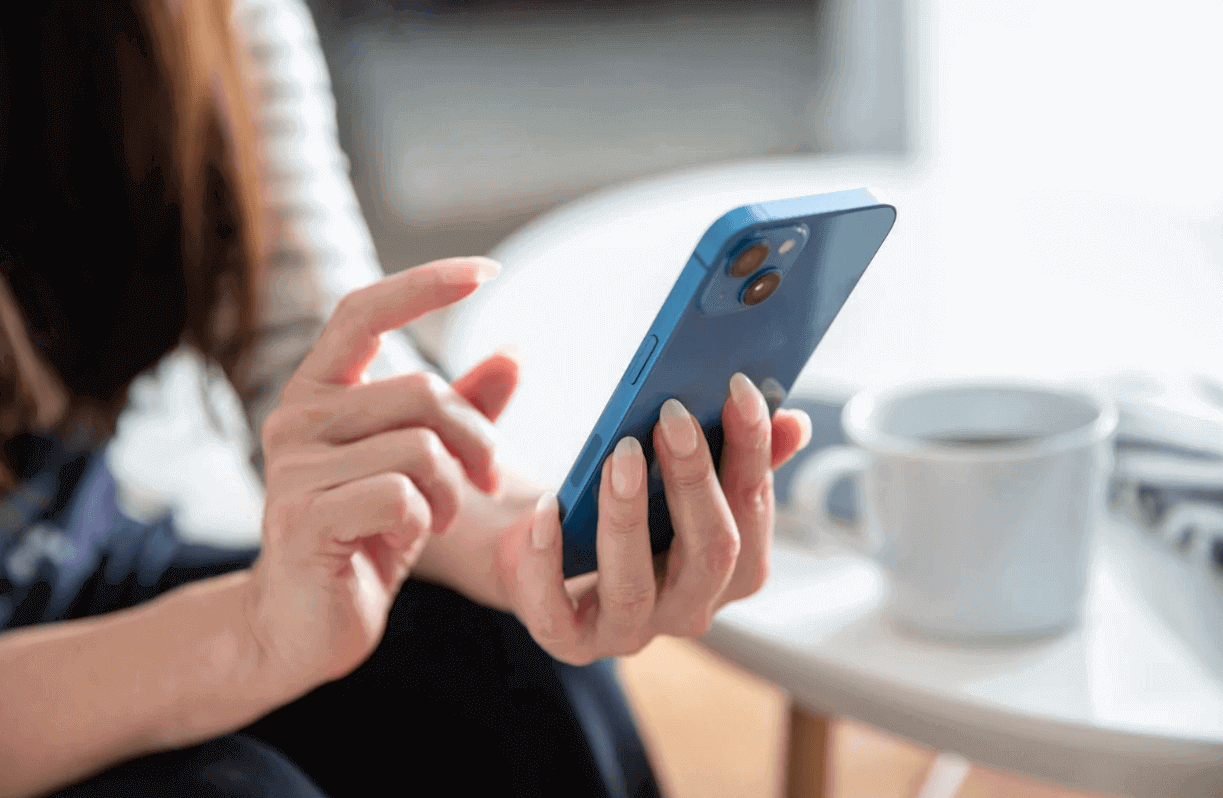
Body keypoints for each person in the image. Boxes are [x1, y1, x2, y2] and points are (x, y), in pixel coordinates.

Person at [0, 1, 814, 796]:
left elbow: (292, 329)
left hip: (74, 557)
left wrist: (505, 530)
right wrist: (249, 634)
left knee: (509, 660)